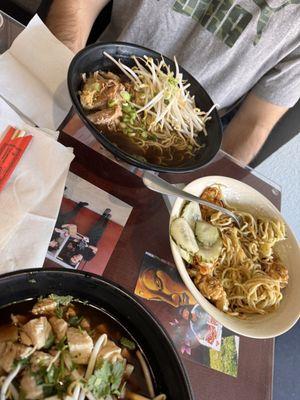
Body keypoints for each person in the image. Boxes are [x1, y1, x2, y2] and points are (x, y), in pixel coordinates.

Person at [45, 0, 300, 164]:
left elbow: (253, 123)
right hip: (94, 82)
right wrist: (55, 76)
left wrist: (195, 190)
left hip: (185, 138)